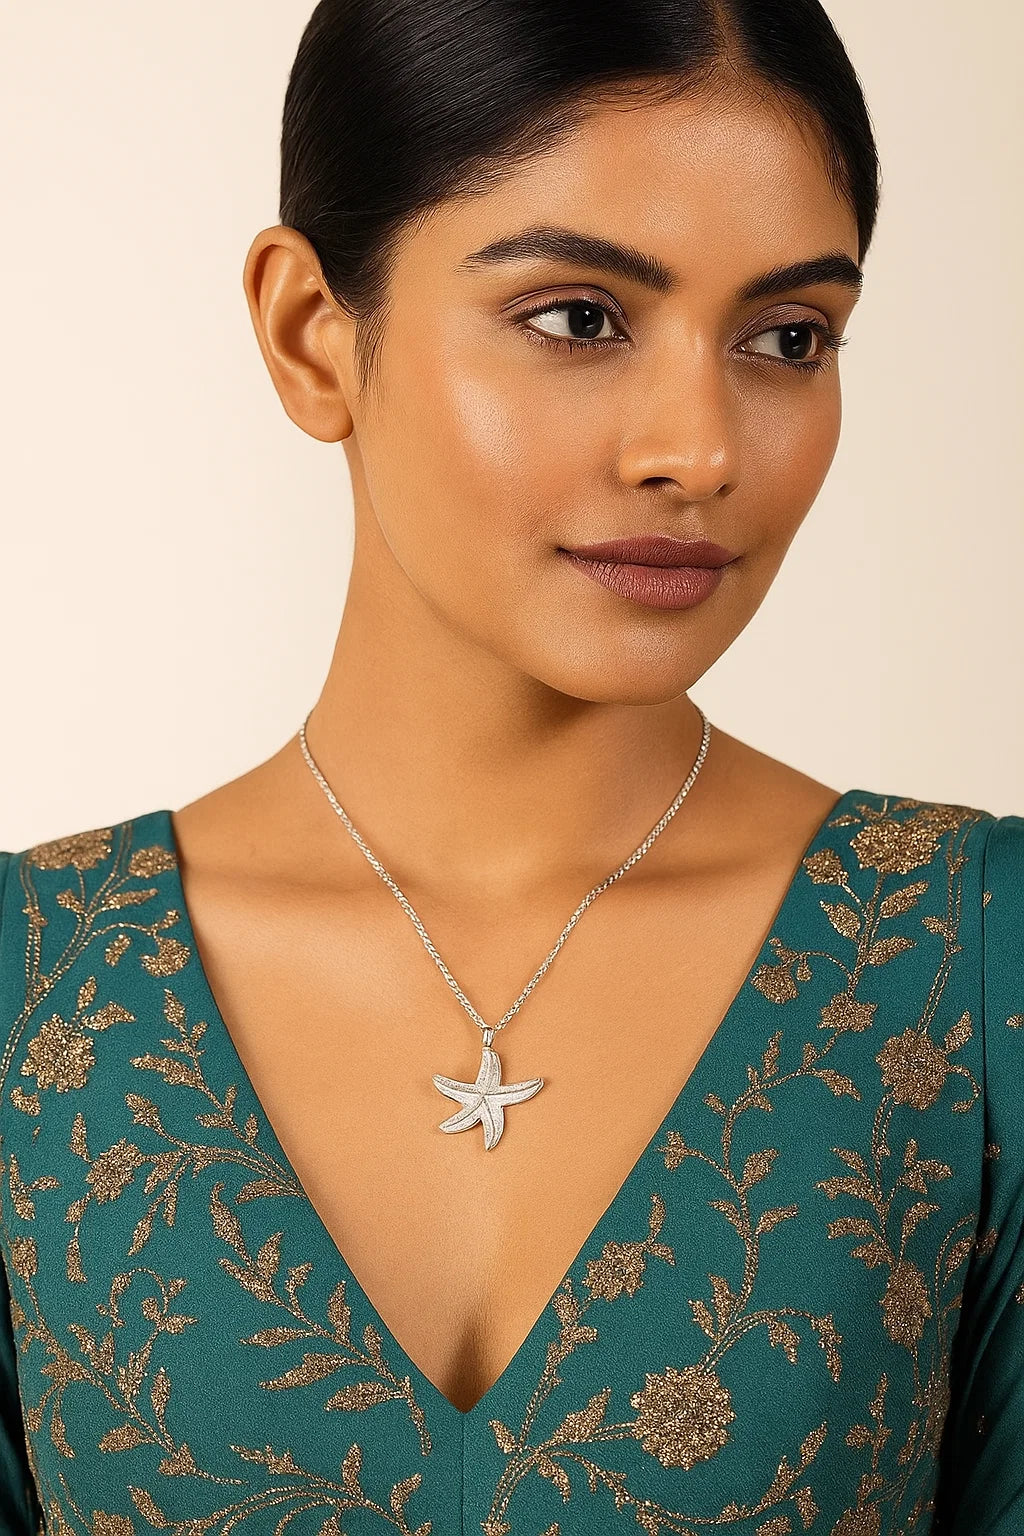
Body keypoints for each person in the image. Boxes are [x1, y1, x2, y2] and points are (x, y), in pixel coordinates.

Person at [1, 0, 1020, 1530]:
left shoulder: (970, 963)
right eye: (578, 318)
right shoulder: (33, 990)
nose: (701, 448)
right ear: (310, 336)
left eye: (787, 338)